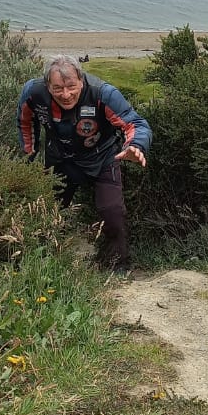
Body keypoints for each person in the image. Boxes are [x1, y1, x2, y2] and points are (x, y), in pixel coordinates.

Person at [17, 54, 151, 272]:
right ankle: (46, 261)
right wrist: (28, 156)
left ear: (81, 79)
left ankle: (117, 267)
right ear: (47, 85)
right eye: (58, 88)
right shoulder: (33, 93)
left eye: (71, 86)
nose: (66, 94)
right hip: (59, 159)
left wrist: (135, 145)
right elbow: (24, 123)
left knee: (112, 213)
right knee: (47, 212)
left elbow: (135, 123)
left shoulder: (102, 93)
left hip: (103, 158)